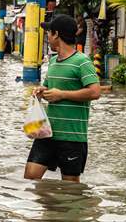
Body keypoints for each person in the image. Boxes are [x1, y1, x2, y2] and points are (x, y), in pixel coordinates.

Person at [25, 14, 101, 183]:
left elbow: (95, 92)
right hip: (47, 133)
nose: (48, 37)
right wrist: (41, 91)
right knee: (30, 178)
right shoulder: (52, 61)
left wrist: (63, 94)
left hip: (72, 137)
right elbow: (48, 87)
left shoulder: (82, 61)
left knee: (70, 188)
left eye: (49, 33)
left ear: (56, 34)